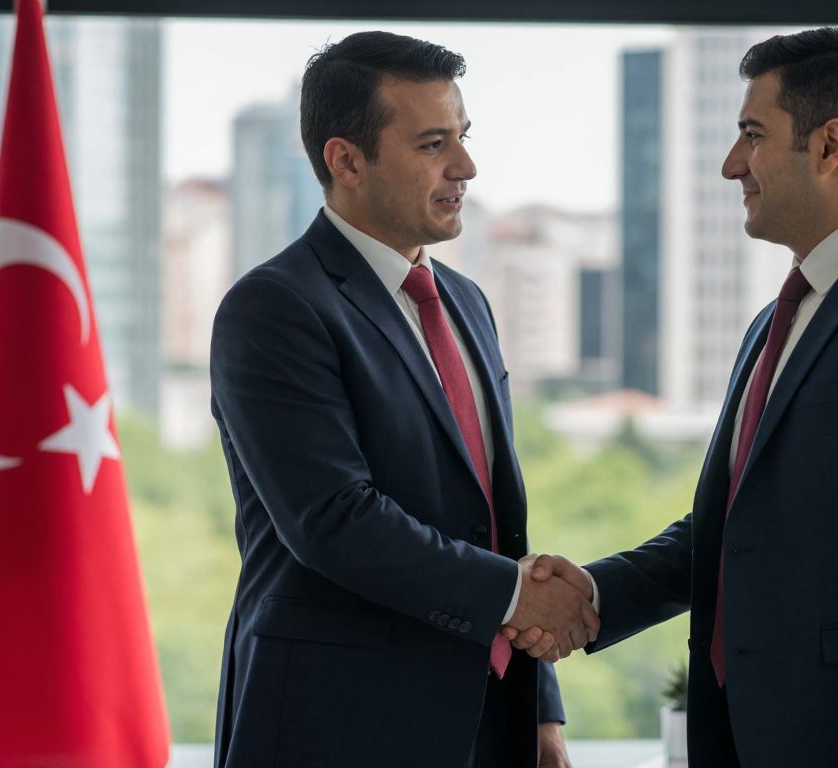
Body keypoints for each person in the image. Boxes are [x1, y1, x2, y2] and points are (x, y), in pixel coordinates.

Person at [516, 27, 838, 767]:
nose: (731, 165)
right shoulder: (773, 323)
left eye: (752, 135)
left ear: (830, 146)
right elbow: (732, 526)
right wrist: (595, 595)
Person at [209, 31, 596, 768]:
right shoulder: (274, 307)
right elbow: (333, 520)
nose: (465, 167)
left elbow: (495, 524)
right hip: (335, 724)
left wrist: (540, 710)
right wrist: (519, 599)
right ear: (345, 159)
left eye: (463, 137)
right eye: (432, 144)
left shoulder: (466, 302)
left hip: (486, 721)